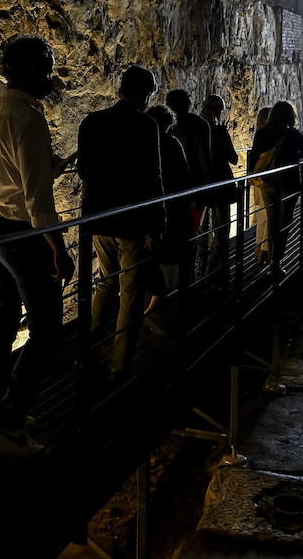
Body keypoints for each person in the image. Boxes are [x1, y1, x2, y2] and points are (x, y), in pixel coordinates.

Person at [0, 36, 73, 456]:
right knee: (47, 330)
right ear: (29, 68)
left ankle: (1, 409)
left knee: (2, 323)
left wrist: (51, 166)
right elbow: (36, 199)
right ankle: (9, 425)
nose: (50, 73)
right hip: (24, 237)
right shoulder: (29, 117)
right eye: (46, 64)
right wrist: (58, 247)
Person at [76, 65, 164, 380]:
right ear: (145, 94)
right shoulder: (146, 125)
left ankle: (85, 350)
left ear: (120, 89)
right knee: (131, 292)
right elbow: (153, 176)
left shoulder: (91, 122)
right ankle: (120, 365)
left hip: (99, 216)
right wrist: (158, 223)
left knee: (104, 283)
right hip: (132, 219)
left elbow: (83, 170)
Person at [247, 101, 303, 270]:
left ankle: (271, 259)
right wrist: (298, 158)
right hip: (289, 184)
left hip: (268, 184)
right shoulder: (292, 134)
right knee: (284, 222)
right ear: (290, 116)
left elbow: (253, 161)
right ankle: (276, 262)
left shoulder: (262, 134)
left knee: (272, 223)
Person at [144, 104, 193, 313]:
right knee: (171, 257)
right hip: (174, 208)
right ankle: (165, 303)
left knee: (152, 257)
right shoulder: (172, 144)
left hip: (153, 208)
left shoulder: (144, 145)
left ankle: (154, 303)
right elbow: (185, 177)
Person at [164, 89, 212, 275]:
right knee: (194, 234)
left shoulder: (168, 128)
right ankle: (194, 276)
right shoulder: (199, 124)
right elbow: (204, 158)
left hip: (172, 190)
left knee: (174, 236)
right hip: (194, 189)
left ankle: (173, 283)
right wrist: (207, 188)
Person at [200, 95, 240, 278]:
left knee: (201, 229)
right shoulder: (219, 131)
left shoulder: (196, 130)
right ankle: (217, 267)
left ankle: (201, 268)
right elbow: (234, 157)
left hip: (200, 184)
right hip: (220, 183)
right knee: (222, 227)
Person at [249, 106, 274, 260]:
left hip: (258, 178)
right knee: (267, 215)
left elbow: (253, 159)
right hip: (270, 180)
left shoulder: (260, 134)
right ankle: (263, 250)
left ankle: (260, 248)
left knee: (261, 214)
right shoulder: (273, 134)